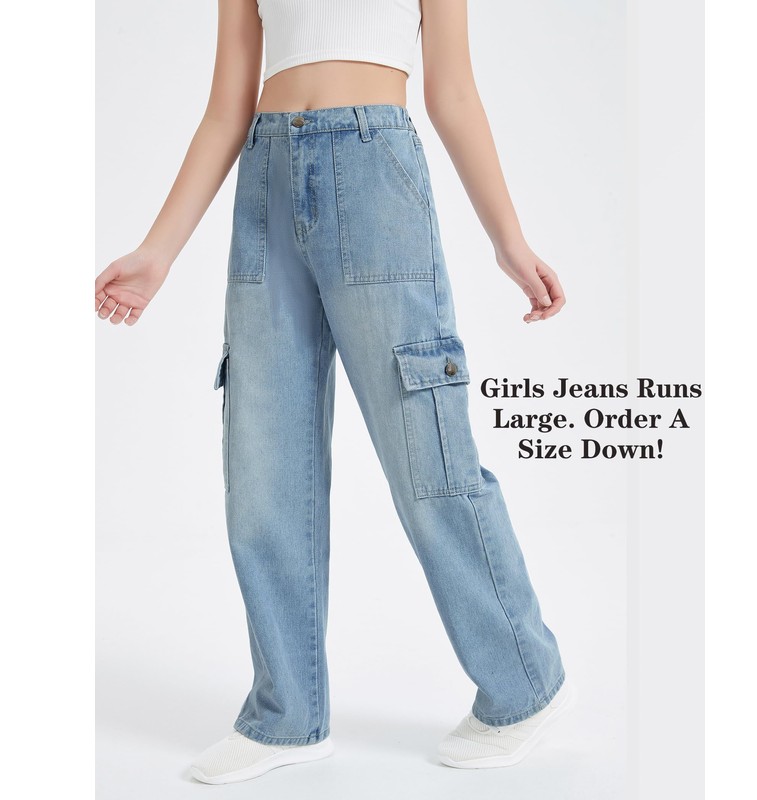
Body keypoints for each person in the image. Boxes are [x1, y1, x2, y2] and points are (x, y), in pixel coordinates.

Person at [95, 0, 574, 784]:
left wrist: (508, 240)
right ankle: (286, 716)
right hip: (266, 177)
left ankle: (525, 687)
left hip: (373, 167)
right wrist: (159, 251)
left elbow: (452, 91)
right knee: (263, 463)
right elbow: (226, 108)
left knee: (426, 456)